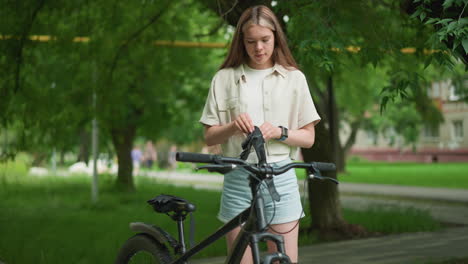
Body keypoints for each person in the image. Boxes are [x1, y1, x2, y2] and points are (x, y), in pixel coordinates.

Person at [199, 5, 320, 264]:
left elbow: (309, 138)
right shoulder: (223, 78)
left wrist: (280, 132)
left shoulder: (294, 79)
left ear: (276, 37)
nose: (259, 48)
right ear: (241, 42)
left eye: (265, 40)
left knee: (283, 260)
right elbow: (209, 137)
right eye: (251, 41)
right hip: (238, 179)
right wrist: (232, 126)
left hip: (280, 178)